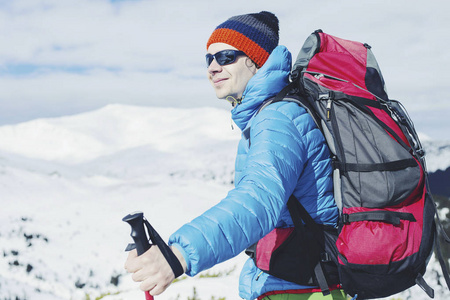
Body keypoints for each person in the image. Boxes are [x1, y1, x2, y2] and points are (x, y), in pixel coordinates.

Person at [125, 11, 346, 299]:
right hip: (295, 283)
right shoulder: (270, 114)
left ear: (255, 61)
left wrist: (178, 255)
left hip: (307, 288)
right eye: (209, 59)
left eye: (226, 57)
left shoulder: (277, 117)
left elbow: (257, 200)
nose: (213, 68)